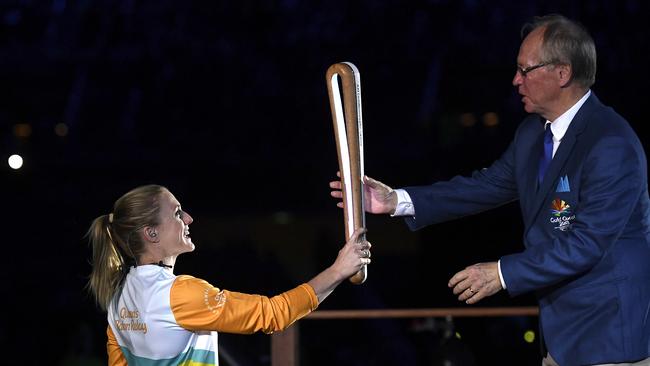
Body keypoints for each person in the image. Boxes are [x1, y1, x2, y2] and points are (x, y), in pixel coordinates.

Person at [331, 14, 650, 366]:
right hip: (560, 339)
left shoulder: (611, 143)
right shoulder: (532, 134)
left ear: (563, 73)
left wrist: (501, 273)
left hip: (609, 338)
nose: (516, 80)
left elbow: (588, 243)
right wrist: (396, 200)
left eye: (525, 70)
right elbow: (485, 186)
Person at [88, 184, 371, 365]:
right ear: (151, 233)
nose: (188, 219)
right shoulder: (181, 293)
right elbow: (274, 314)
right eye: (177, 214)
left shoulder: (118, 293)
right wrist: (338, 270)